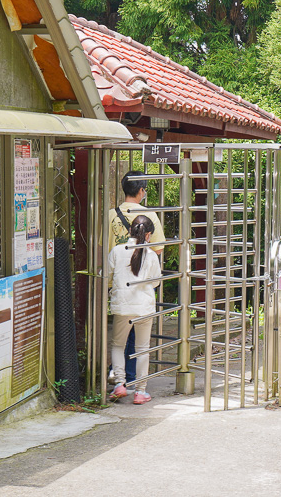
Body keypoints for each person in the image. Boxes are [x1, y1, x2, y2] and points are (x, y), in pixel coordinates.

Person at [108, 171, 165, 384]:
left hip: (119, 283)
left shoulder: (111, 214)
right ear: (142, 191)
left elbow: (104, 247)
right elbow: (158, 249)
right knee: (141, 342)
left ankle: (119, 377)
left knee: (119, 338)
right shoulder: (150, 216)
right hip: (143, 286)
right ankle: (136, 383)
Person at [108, 215, 163, 404]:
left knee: (118, 345)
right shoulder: (151, 255)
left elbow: (108, 275)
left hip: (122, 306)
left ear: (130, 230)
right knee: (142, 349)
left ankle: (120, 384)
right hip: (144, 308)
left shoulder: (117, 251)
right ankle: (140, 391)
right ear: (148, 235)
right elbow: (155, 281)